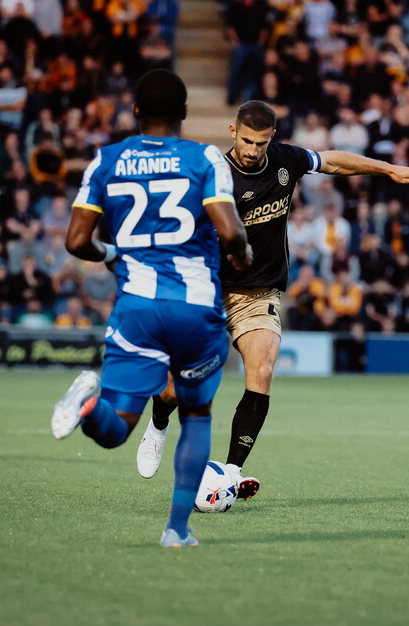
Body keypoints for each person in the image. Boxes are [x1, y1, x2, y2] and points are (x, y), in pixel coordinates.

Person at [142, 100, 409, 501]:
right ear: (231, 131)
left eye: (260, 143)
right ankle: (158, 425)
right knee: (176, 387)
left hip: (258, 294)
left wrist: (388, 169)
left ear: (271, 138)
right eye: (246, 141)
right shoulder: (212, 177)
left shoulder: (285, 160)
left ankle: (228, 472)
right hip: (208, 293)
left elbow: (334, 161)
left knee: (262, 369)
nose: (252, 150)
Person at [49, 70, 252, 548]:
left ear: (135, 111)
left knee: (116, 429)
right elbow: (230, 231)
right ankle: (176, 531)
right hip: (195, 310)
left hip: (136, 307)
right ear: (184, 113)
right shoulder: (203, 157)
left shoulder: (106, 160)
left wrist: (114, 255)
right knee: (197, 414)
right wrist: (242, 254)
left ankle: (88, 403)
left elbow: (76, 240)